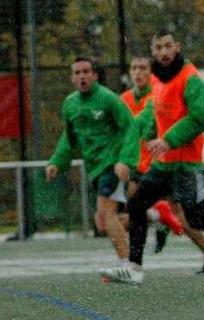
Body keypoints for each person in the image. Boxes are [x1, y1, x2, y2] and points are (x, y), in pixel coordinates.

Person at [100, 30, 204, 285]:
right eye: (158, 47)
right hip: (165, 164)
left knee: (196, 219)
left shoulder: (191, 79)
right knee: (136, 205)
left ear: (177, 47)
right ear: (153, 51)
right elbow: (152, 115)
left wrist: (168, 139)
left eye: (168, 46)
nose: (163, 52)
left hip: (189, 165)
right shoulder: (157, 79)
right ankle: (134, 267)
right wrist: (141, 140)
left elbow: (198, 118)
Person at [120, 54, 204, 275]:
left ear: (152, 71)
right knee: (133, 207)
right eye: (134, 68)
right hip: (141, 165)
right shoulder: (125, 99)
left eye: (143, 68)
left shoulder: (162, 92)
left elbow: (189, 121)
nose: (138, 73)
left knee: (185, 219)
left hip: (169, 164)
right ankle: (134, 258)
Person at [46, 57, 138, 266]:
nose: (82, 76)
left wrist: (125, 160)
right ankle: (150, 219)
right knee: (103, 223)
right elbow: (69, 139)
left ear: (95, 76)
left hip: (111, 164)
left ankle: (129, 266)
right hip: (95, 168)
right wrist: (57, 162)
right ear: (72, 78)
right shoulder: (70, 104)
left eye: (86, 71)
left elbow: (130, 128)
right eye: (77, 73)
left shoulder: (108, 99)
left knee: (107, 214)